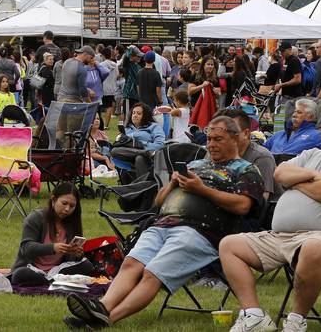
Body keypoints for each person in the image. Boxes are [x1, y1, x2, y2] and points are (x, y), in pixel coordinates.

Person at [64, 116, 263, 328]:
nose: (211, 145)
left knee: (152, 273)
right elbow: (158, 202)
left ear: (234, 139)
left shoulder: (245, 170)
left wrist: (201, 190)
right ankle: (102, 307)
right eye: (209, 139)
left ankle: (105, 320)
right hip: (162, 225)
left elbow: (243, 206)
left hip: (202, 233)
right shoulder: (195, 165)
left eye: (218, 139)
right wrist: (172, 184)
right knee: (131, 263)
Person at [219, 105, 321, 332]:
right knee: (229, 245)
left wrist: (297, 182)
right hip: (281, 236)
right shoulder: (313, 155)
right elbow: (280, 173)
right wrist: (313, 176)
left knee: (313, 247)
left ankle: (296, 320)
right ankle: (254, 316)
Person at [11, 182, 94, 286]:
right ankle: (51, 282)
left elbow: (69, 259)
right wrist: (53, 248)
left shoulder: (72, 222)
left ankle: (50, 281)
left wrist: (76, 254)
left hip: (57, 270)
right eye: (64, 203)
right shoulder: (36, 217)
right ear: (53, 200)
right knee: (20, 275)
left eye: (72, 206)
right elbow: (26, 248)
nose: (67, 209)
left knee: (87, 265)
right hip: (32, 269)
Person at [220, 108, 282, 201]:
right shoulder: (217, 150)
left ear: (246, 133)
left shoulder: (261, 157)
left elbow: (261, 202)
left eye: (231, 132)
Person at [113, 102, 165, 177]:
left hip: (149, 158)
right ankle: (144, 152)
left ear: (145, 115)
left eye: (139, 113)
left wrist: (141, 145)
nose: (135, 115)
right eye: (133, 113)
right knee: (114, 151)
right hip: (128, 154)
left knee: (139, 158)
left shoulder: (154, 127)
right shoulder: (127, 129)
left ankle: (142, 185)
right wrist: (121, 139)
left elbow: (160, 145)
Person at [119, 46, 143, 115]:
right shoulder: (128, 65)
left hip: (137, 95)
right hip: (129, 95)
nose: (140, 58)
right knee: (128, 116)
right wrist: (131, 48)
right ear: (132, 56)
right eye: (138, 56)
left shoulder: (138, 66)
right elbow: (126, 58)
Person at [100, 47, 118, 127]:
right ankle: (106, 125)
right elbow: (117, 75)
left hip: (102, 88)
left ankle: (100, 123)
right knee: (109, 106)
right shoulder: (115, 65)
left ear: (103, 55)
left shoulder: (101, 65)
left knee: (99, 107)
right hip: (112, 88)